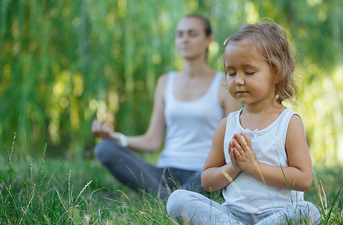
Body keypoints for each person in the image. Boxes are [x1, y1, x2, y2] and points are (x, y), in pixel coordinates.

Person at [166, 20, 320, 225]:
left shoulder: (288, 122)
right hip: (231, 215)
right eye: (231, 73)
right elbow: (207, 181)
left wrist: (254, 167)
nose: (238, 81)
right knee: (177, 200)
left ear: (275, 73)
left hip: (278, 215)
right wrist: (234, 167)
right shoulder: (227, 124)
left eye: (249, 72)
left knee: (307, 212)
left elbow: (304, 180)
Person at [92, 15, 240, 199]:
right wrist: (116, 138)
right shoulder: (165, 82)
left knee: (208, 178)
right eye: (179, 35)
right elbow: (153, 140)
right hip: (163, 173)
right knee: (105, 148)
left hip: (202, 173)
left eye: (192, 34)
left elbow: (232, 139)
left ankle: (166, 198)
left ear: (208, 40)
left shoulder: (224, 82)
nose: (184, 39)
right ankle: (172, 198)